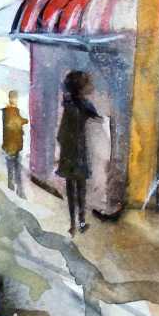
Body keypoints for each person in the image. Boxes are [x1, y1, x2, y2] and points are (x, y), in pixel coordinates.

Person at [56, 71, 101, 235]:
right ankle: (81, 222)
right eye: (88, 84)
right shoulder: (86, 105)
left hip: (69, 152)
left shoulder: (69, 105)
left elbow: (61, 133)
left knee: (71, 188)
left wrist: (64, 146)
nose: (91, 86)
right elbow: (98, 118)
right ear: (81, 87)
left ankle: (73, 224)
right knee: (81, 189)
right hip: (79, 150)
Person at [2, 90, 28, 197]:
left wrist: (23, 121)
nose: (16, 100)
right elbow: (12, 124)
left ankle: (13, 187)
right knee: (16, 168)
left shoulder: (10, 110)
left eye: (16, 98)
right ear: (11, 98)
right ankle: (19, 191)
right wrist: (23, 121)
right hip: (12, 145)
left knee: (13, 168)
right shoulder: (9, 111)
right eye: (15, 98)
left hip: (13, 145)